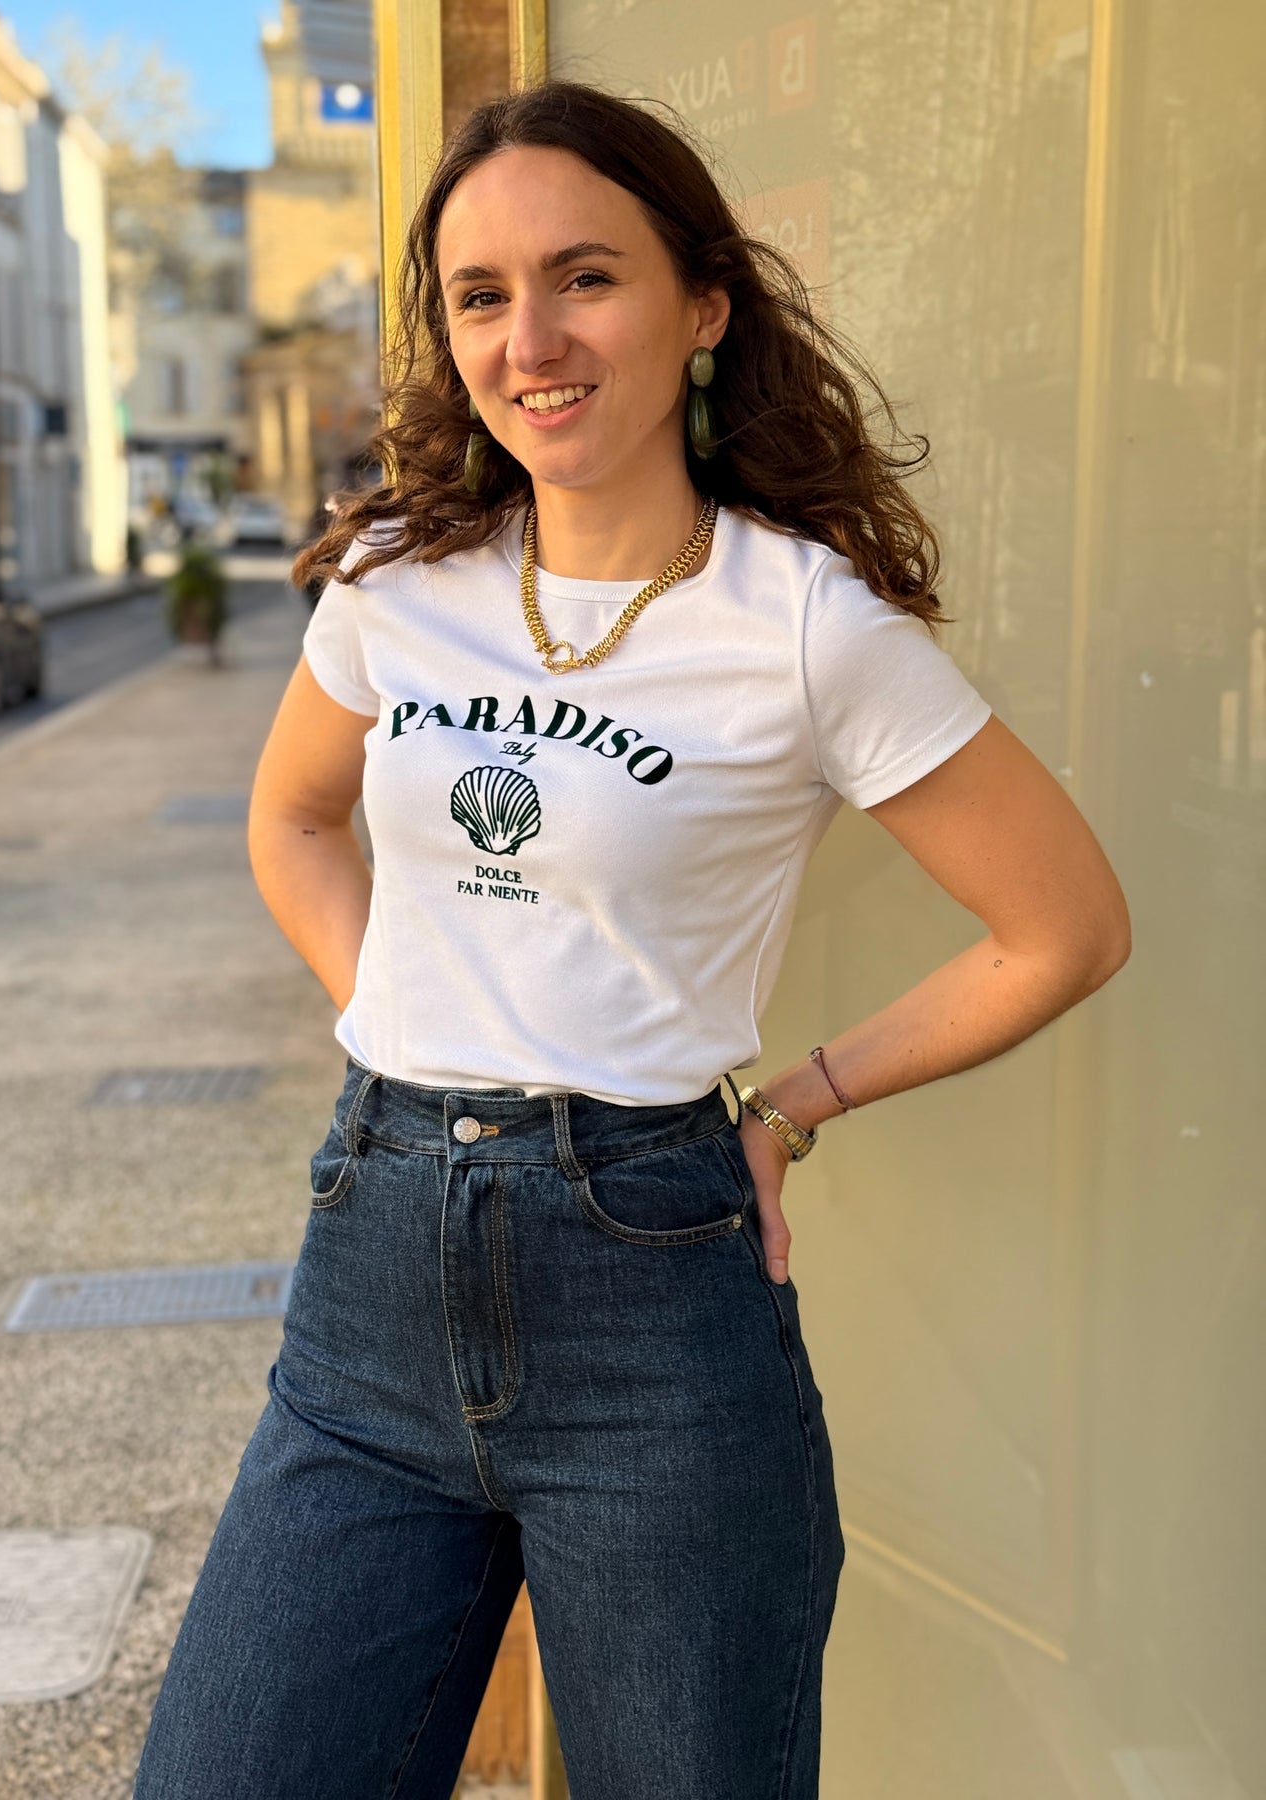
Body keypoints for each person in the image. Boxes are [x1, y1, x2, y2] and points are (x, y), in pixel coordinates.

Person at [132, 79, 1131, 1800]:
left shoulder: (802, 623)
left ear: (703, 307)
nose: (531, 340)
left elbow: (1062, 925)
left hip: (651, 1307)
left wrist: (795, 1103)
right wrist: (402, 1014)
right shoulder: (397, 577)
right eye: (481, 296)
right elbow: (291, 824)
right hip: (367, 1292)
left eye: (584, 278)